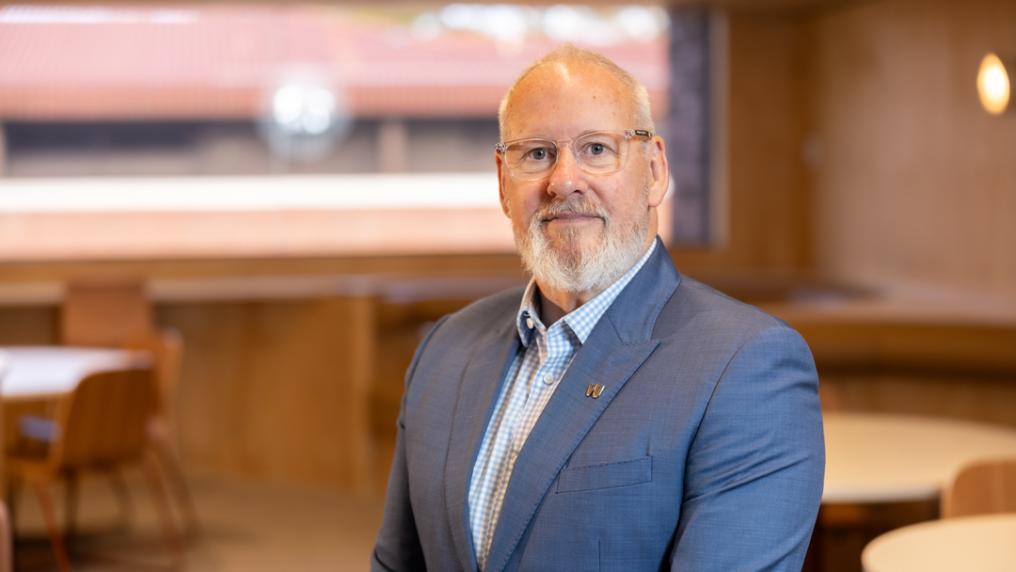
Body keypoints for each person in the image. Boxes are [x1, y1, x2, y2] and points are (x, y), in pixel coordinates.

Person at [372, 45, 824, 572]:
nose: (563, 180)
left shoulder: (747, 365)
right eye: (536, 153)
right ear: (502, 181)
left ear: (654, 171)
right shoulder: (446, 348)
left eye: (596, 149)